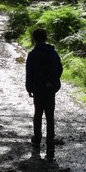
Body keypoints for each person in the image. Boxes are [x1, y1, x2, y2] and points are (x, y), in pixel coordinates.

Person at [25, 27, 63, 160]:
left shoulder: (33, 54)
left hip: (38, 89)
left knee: (38, 114)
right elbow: (59, 69)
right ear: (46, 38)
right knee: (50, 116)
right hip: (50, 89)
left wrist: (29, 88)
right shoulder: (53, 52)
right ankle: (50, 146)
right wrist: (54, 83)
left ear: (34, 39)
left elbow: (29, 72)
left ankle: (36, 140)